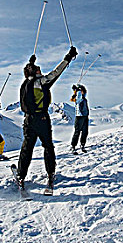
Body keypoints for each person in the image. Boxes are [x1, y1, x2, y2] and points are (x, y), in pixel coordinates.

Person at [16, 46, 78, 190]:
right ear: (35, 72)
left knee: (27, 148)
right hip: (42, 119)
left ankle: (21, 175)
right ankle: (50, 173)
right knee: (48, 147)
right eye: (38, 69)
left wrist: (30, 63)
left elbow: (28, 72)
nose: (40, 70)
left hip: (28, 120)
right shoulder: (41, 82)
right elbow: (57, 72)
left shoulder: (25, 84)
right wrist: (68, 57)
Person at [70, 84, 89, 154]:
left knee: (85, 132)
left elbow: (84, 92)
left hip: (85, 116)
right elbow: (78, 98)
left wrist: (80, 87)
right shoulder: (79, 97)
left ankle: (82, 144)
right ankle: (73, 146)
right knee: (77, 132)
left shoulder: (83, 97)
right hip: (79, 116)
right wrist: (77, 90)